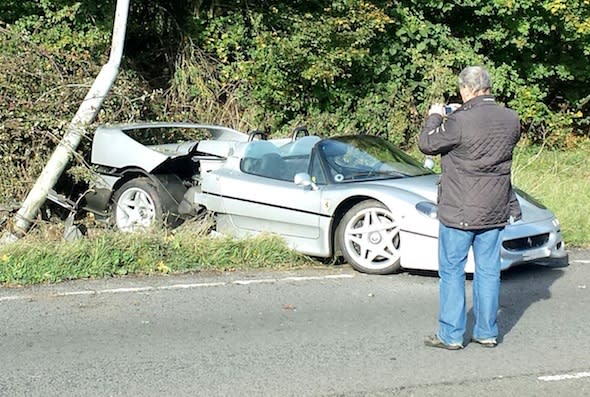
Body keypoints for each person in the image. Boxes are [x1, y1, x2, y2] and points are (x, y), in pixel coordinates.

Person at [418, 66, 522, 350]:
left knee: (452, 271)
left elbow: (427, 144)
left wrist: (435, 117)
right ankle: (487, 332)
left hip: (460, 209)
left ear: (466, 89)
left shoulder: (460, 122)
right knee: (488, 271)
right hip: (496, 206)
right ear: (487, 87)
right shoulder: (511, 118)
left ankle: (451, 335)